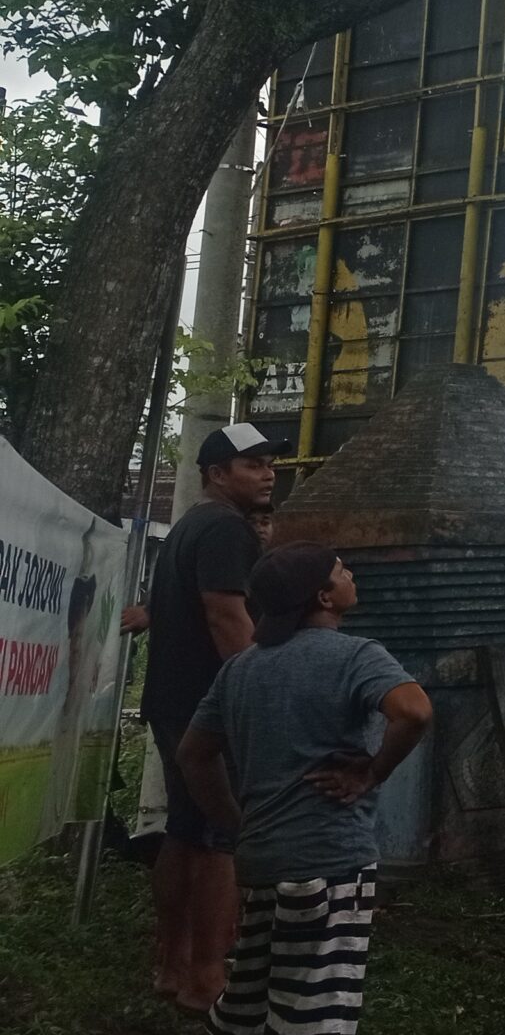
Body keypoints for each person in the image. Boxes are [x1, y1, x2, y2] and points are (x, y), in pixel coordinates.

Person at [177, 543, 432, 1035]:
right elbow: (414, 711)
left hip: (261, 862)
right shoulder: (357, 655)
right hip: (330, 861)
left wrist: (237, 822)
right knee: (314, 1015)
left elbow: (193, 755)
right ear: (324, 597)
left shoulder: (241, 668)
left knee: (250, 1002)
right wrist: (373, 772)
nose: (350, 574)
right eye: (341, 571)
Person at [138, 421, 283, 1011]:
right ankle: (207, 979)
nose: (268, 472)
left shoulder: (190, 527)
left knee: (184, 832)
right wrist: (263, 696)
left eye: (270, 463)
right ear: (216, 475)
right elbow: (228, 618)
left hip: (172, 703)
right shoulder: (226, 528)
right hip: (210, 710)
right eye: (252, 465)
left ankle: (172, 967)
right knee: (223, 837)